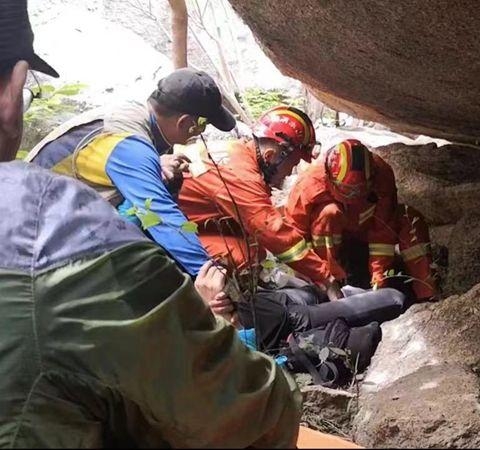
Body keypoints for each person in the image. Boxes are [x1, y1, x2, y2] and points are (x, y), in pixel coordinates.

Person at [0, 1, 301, 446]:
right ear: (12, 92)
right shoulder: (128, 148)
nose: (198, 136)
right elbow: (160, 221)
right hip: (57, 263)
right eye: (199, 128)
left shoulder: (127, 128)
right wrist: (213, 284)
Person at [175, 106, 404, 354]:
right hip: (230, 299)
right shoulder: (239, 174)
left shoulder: (236, 159)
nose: (291, 172)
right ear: (274, 155)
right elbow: (275, 230)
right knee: (389, 300)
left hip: (244, 296)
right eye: (293, 164)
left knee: (340, 296)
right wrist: (325, 278)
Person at [25, 67, 233, 278]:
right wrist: (209, 274)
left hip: (47, 223)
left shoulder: (137, 118)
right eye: (203, 125)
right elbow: (161, 216)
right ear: (185, 123)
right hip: (33, 242)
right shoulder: (128, 145)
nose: (202, 133)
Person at [285, 138, 439, 302]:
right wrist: (313, 274)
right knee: (328, 213)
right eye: (347, 191)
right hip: (331, 242)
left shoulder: (382, 174)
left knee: (410, 218)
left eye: (360, 190)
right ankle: (330, 283)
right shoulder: (310, 182)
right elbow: (294, 234)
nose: (354, 197)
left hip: (365, 233)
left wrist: (379, 280)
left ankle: (427, 293)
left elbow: (383, 231)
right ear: (329, 178)